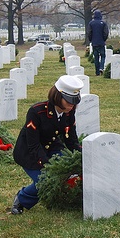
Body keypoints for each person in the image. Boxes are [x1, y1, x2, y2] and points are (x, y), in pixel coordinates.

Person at [11, 75, 84, 215]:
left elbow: (70, 138)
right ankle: (21, 198)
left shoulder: (69, 111)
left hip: (52, 147)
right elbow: (33, 144)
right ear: (57, 96)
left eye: (74, 102)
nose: (72, 105)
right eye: (68, 101)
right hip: (29, 152)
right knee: (45, 180)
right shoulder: (37, 111)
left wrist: (81, 153)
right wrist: (47, 165)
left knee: (67, 169)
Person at [88, 9, 110, 76]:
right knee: (103, 56)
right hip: (101, 42)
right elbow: (106, 33)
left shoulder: (91, 23)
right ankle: (101, 67)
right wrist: (104, 39)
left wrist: (91, 40)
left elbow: (89, 33)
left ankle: (97, 72)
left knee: (96, 57)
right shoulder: (103, 23)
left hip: (94, 43)